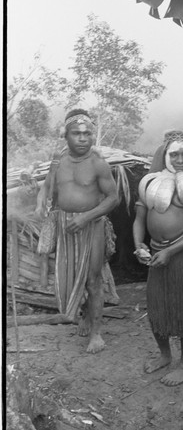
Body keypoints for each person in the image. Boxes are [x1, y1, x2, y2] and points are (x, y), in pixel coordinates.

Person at [35, 109, 119, 353]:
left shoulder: (98, 164)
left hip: (92, 224)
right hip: (64, 225)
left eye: (87, 133)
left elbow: (113, 198)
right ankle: (84, 314)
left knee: (92, 279)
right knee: (73, 276)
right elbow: (48, 186)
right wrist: (41, 201)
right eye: (76, 133)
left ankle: (96, 334)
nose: (83, 138)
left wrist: (86, 217)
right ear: (66, 136)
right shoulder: (58, 160)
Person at [133, 130, 183, 386]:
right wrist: (139, 245)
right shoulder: (148, 183)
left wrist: (170, 251)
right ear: (164, 155)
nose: (180, 159)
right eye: (174, 154)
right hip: (156, 252)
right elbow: (139, 219)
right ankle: (165, 355)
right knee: (156, 305)